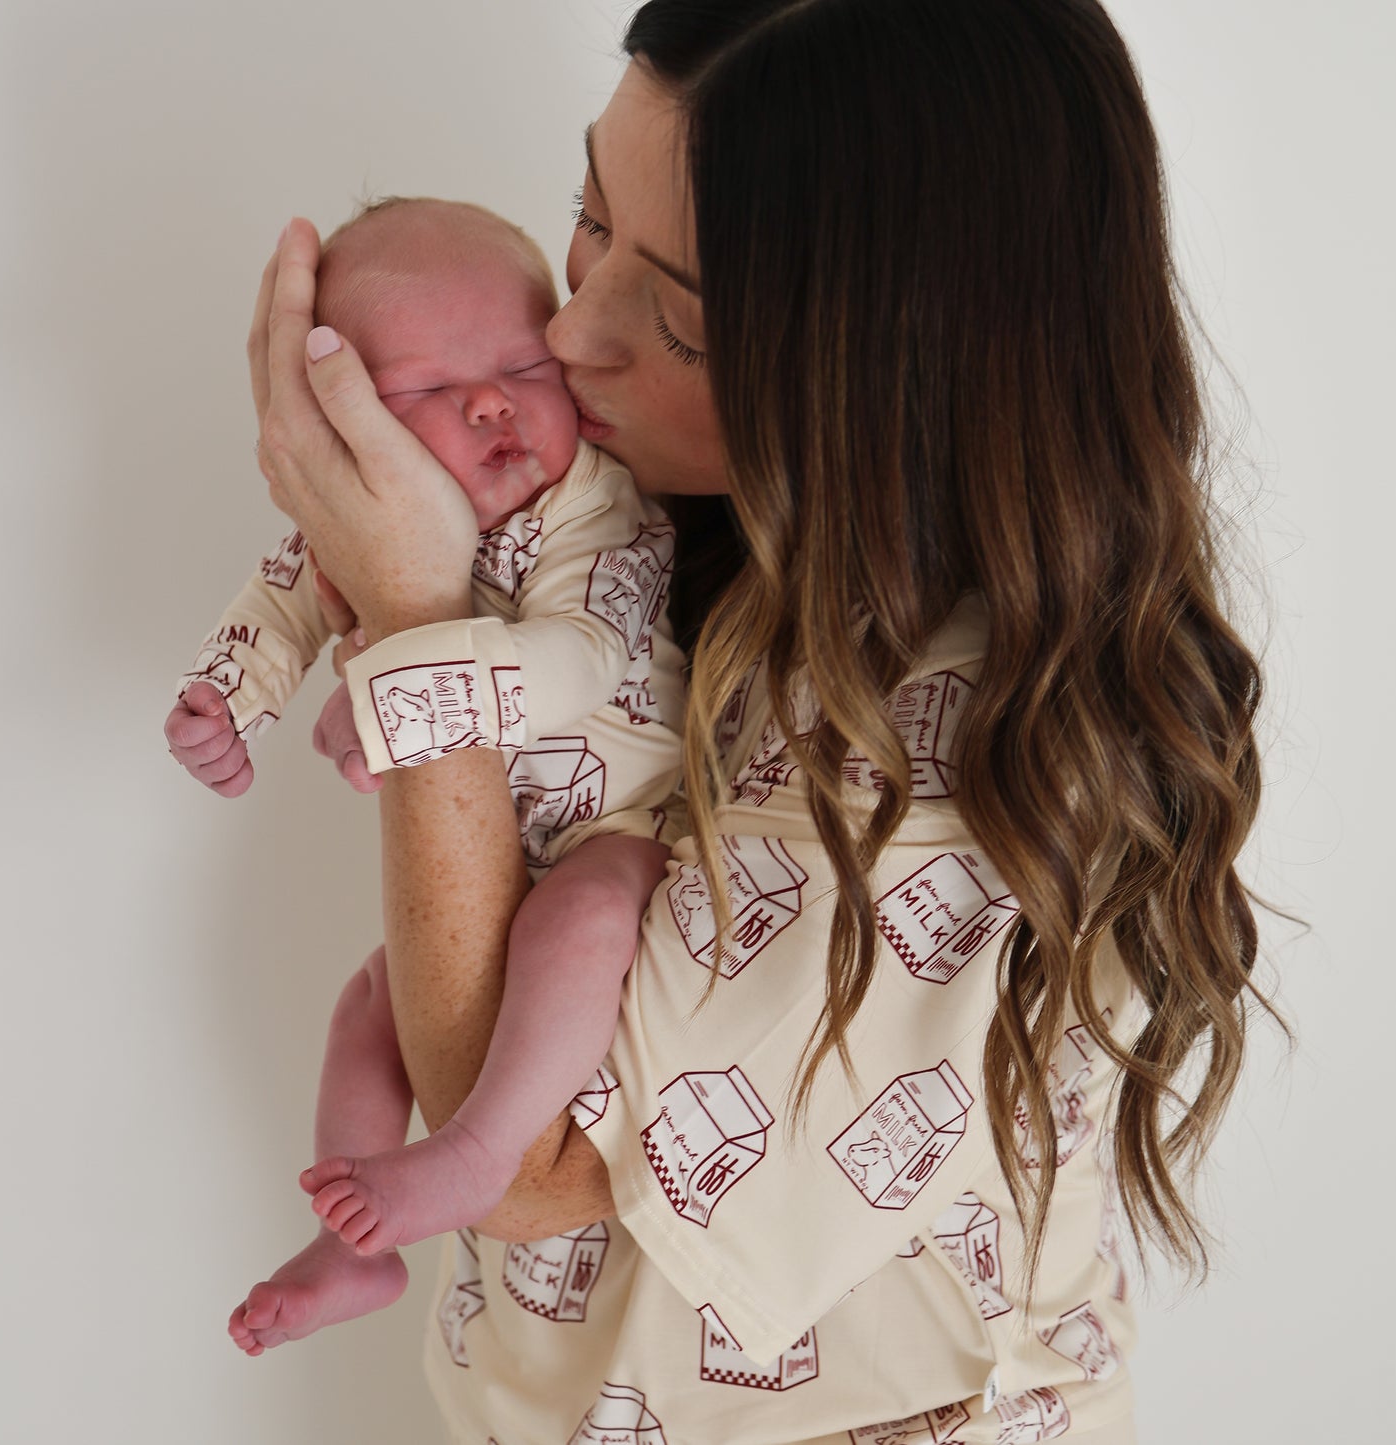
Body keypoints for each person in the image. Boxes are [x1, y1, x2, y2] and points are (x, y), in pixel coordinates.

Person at [246, 1, 1273, 1440]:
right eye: (587, 217)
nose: (566, 333)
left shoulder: (954, 758)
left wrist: (423, 642)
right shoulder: (675, 528)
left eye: (674, 318)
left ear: (899, 367)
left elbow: (529, 1162)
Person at [165, 197, 685, 1354]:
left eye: (517, 362)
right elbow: (291, 593)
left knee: (585, 910)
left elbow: (577, 658)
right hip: (494, 857)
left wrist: (402, 685)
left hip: (630, 833)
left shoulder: (592, 504)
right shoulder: (377, 504)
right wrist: (228, 694)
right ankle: (355, 1253)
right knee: (374, 1002)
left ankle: (478, 1146)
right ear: (351, 425)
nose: (489, 402)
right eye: (420, 394)